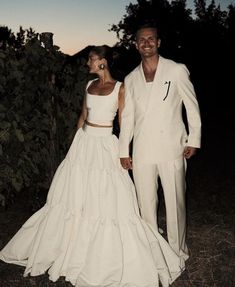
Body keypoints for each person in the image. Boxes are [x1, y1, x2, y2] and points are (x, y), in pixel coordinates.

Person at [0, 45, 184, 287]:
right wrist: (74, 147)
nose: (87, 63)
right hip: (83, 144)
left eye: (91, 59)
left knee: (107, 197)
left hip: (105, 144)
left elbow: (124, 122)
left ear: (103, 63)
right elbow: (82, 117)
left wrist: (124, 151)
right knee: (75, 196)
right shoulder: (88, 86)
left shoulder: (120, 88)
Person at [119, 23, 202, 264]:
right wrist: (124, 150)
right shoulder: (131, 78)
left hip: (172, 147)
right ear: (136, 45)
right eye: (141, 40)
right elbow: (128, 119)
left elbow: (191, 106)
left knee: (175, 204)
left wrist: (194, 139)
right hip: (143, 150)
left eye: (151, 38)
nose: (146, 42)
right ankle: (153, 253)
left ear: (158, 42)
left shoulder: (176, 70)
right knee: (146, 205)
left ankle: (178, 253)